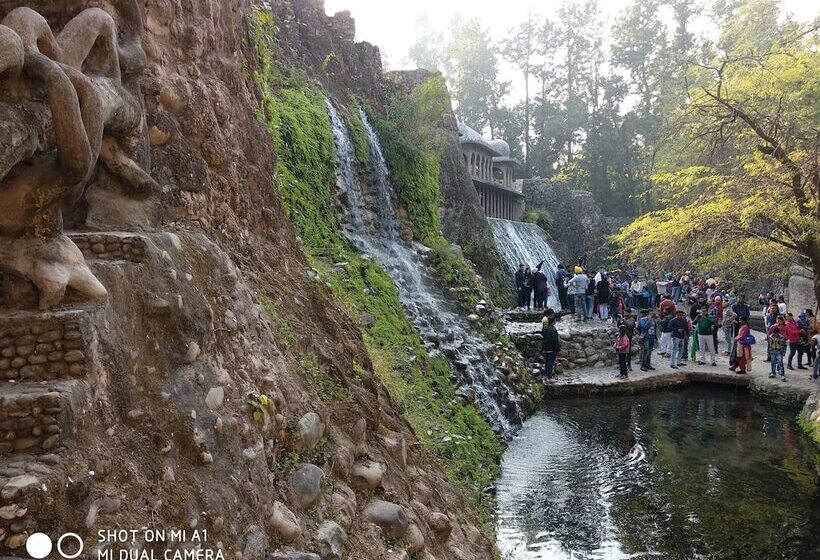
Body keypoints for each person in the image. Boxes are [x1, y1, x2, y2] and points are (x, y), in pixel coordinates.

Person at [541, 311, 561, 384]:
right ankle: (549, 377)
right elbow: (555, 341)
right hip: (552, 349)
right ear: (554, 321)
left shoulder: (544, 328)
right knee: (550, 363)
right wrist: (558, 348)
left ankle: (546, 375)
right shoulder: (553, 330)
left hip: (545, 348)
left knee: (546, 362)